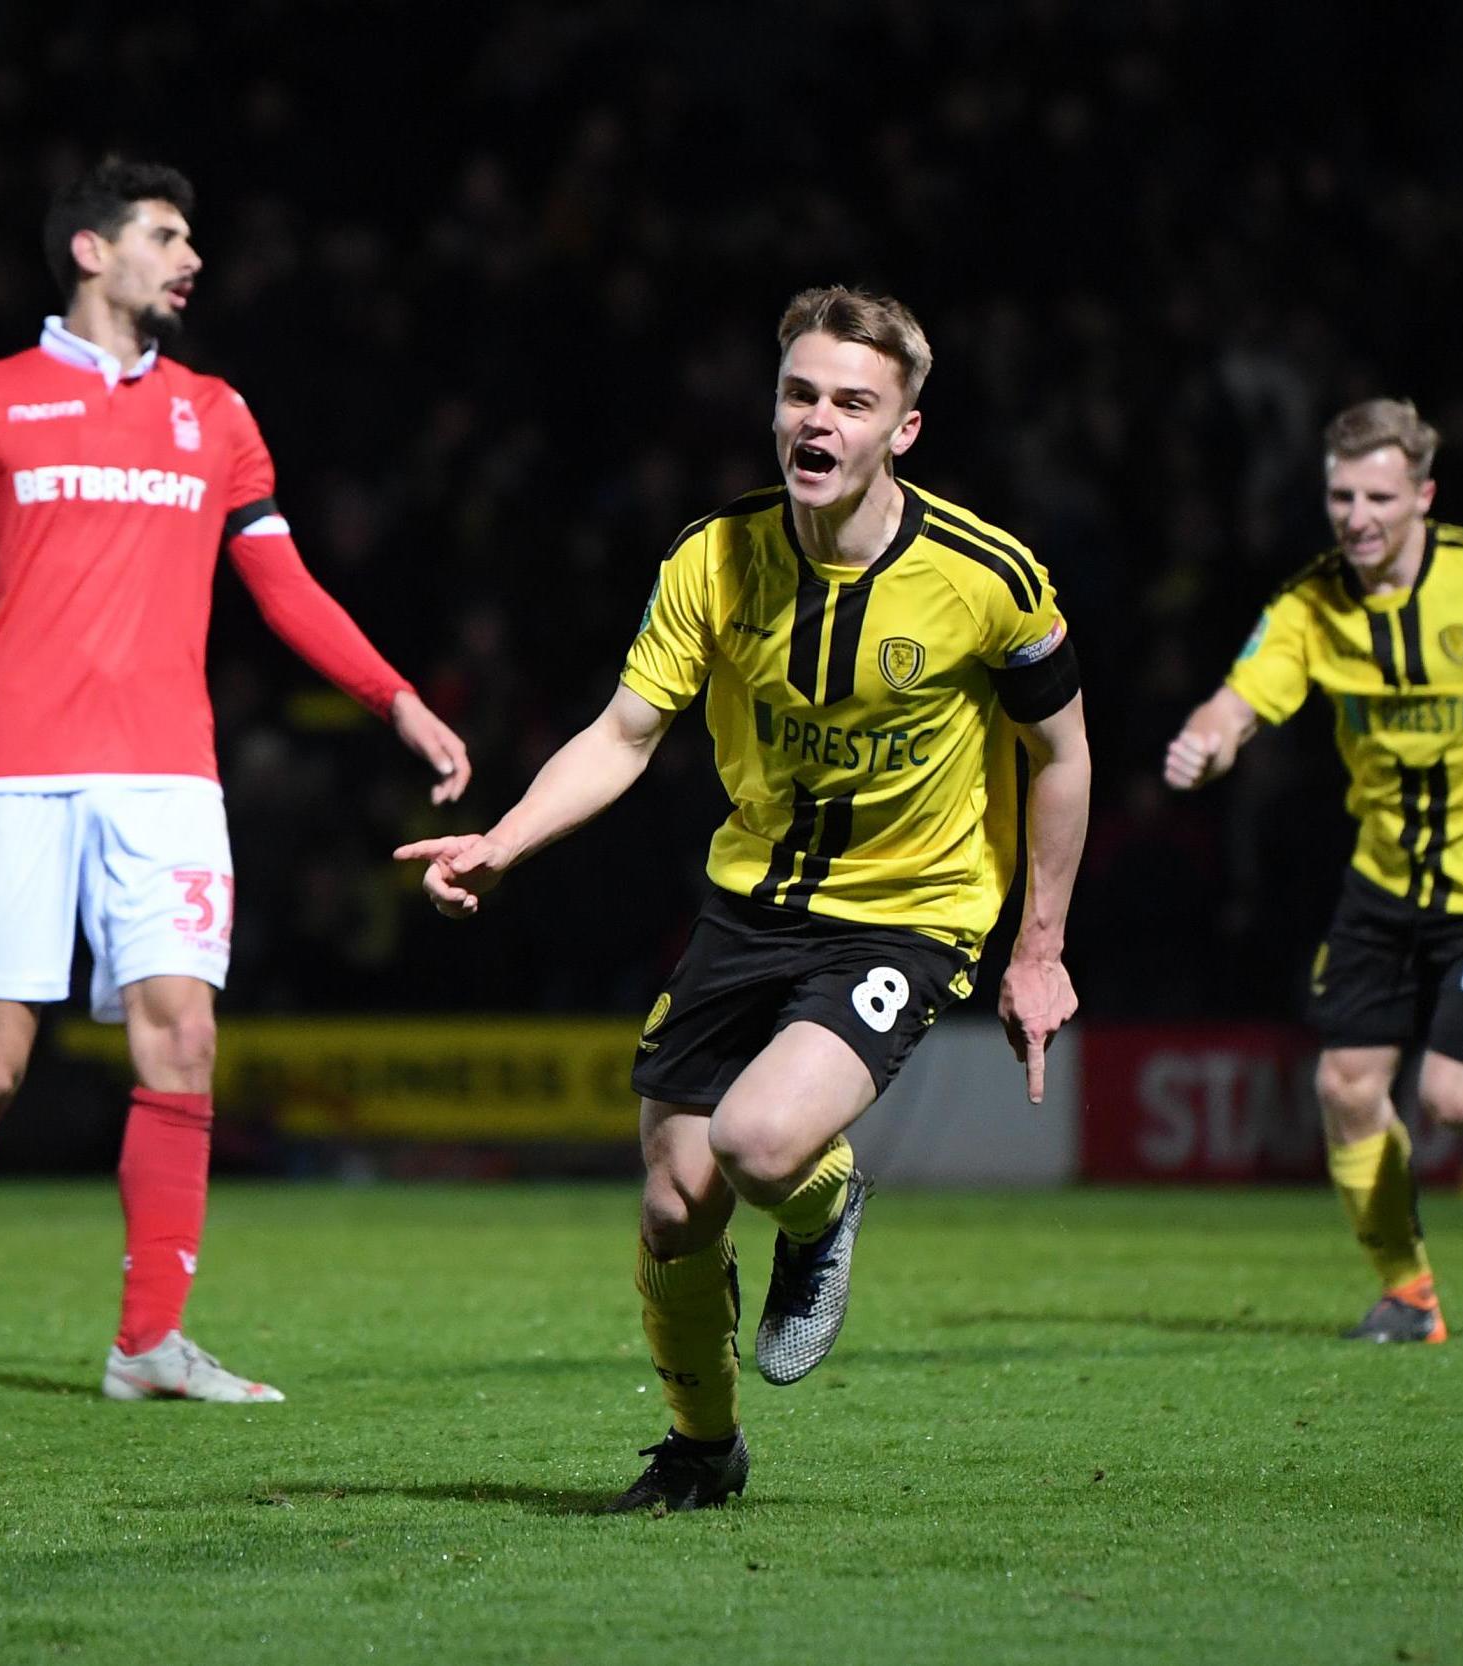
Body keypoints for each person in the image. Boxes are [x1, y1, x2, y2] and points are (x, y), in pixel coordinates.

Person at [0, 158, 471, 1400]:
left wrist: (397, 699)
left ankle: (148, 1340)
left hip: (167, 780)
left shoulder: (218, 413)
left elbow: (284, 585)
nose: (191, 256)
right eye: (167, 234)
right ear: (92, 252)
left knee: (182, 1038)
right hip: (19, 773)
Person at [396, 286, 1089, 1509]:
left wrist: (1039, 946)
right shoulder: (712, 559)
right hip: (750, 904)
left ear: (904, 431)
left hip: (910, 912)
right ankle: (702, 1451)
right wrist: (503, 842)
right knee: (672, 1208)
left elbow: (1063, 757)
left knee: (760, 1139)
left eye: (852, 403)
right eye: (799, 394)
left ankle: (823, 1208)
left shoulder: (990, 578)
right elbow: (621, 734)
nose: (816, 422)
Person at [1165, 398, 1463, 1342]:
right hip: (1383, 881)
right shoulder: (1311, 602)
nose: (1357, 517)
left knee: (1453, 1101)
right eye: (1342, 496)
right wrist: (1204, 740)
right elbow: (1239, 700)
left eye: (1378, 497)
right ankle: (1408, 1293)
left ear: (1422, 496)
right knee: (1346, 1088)